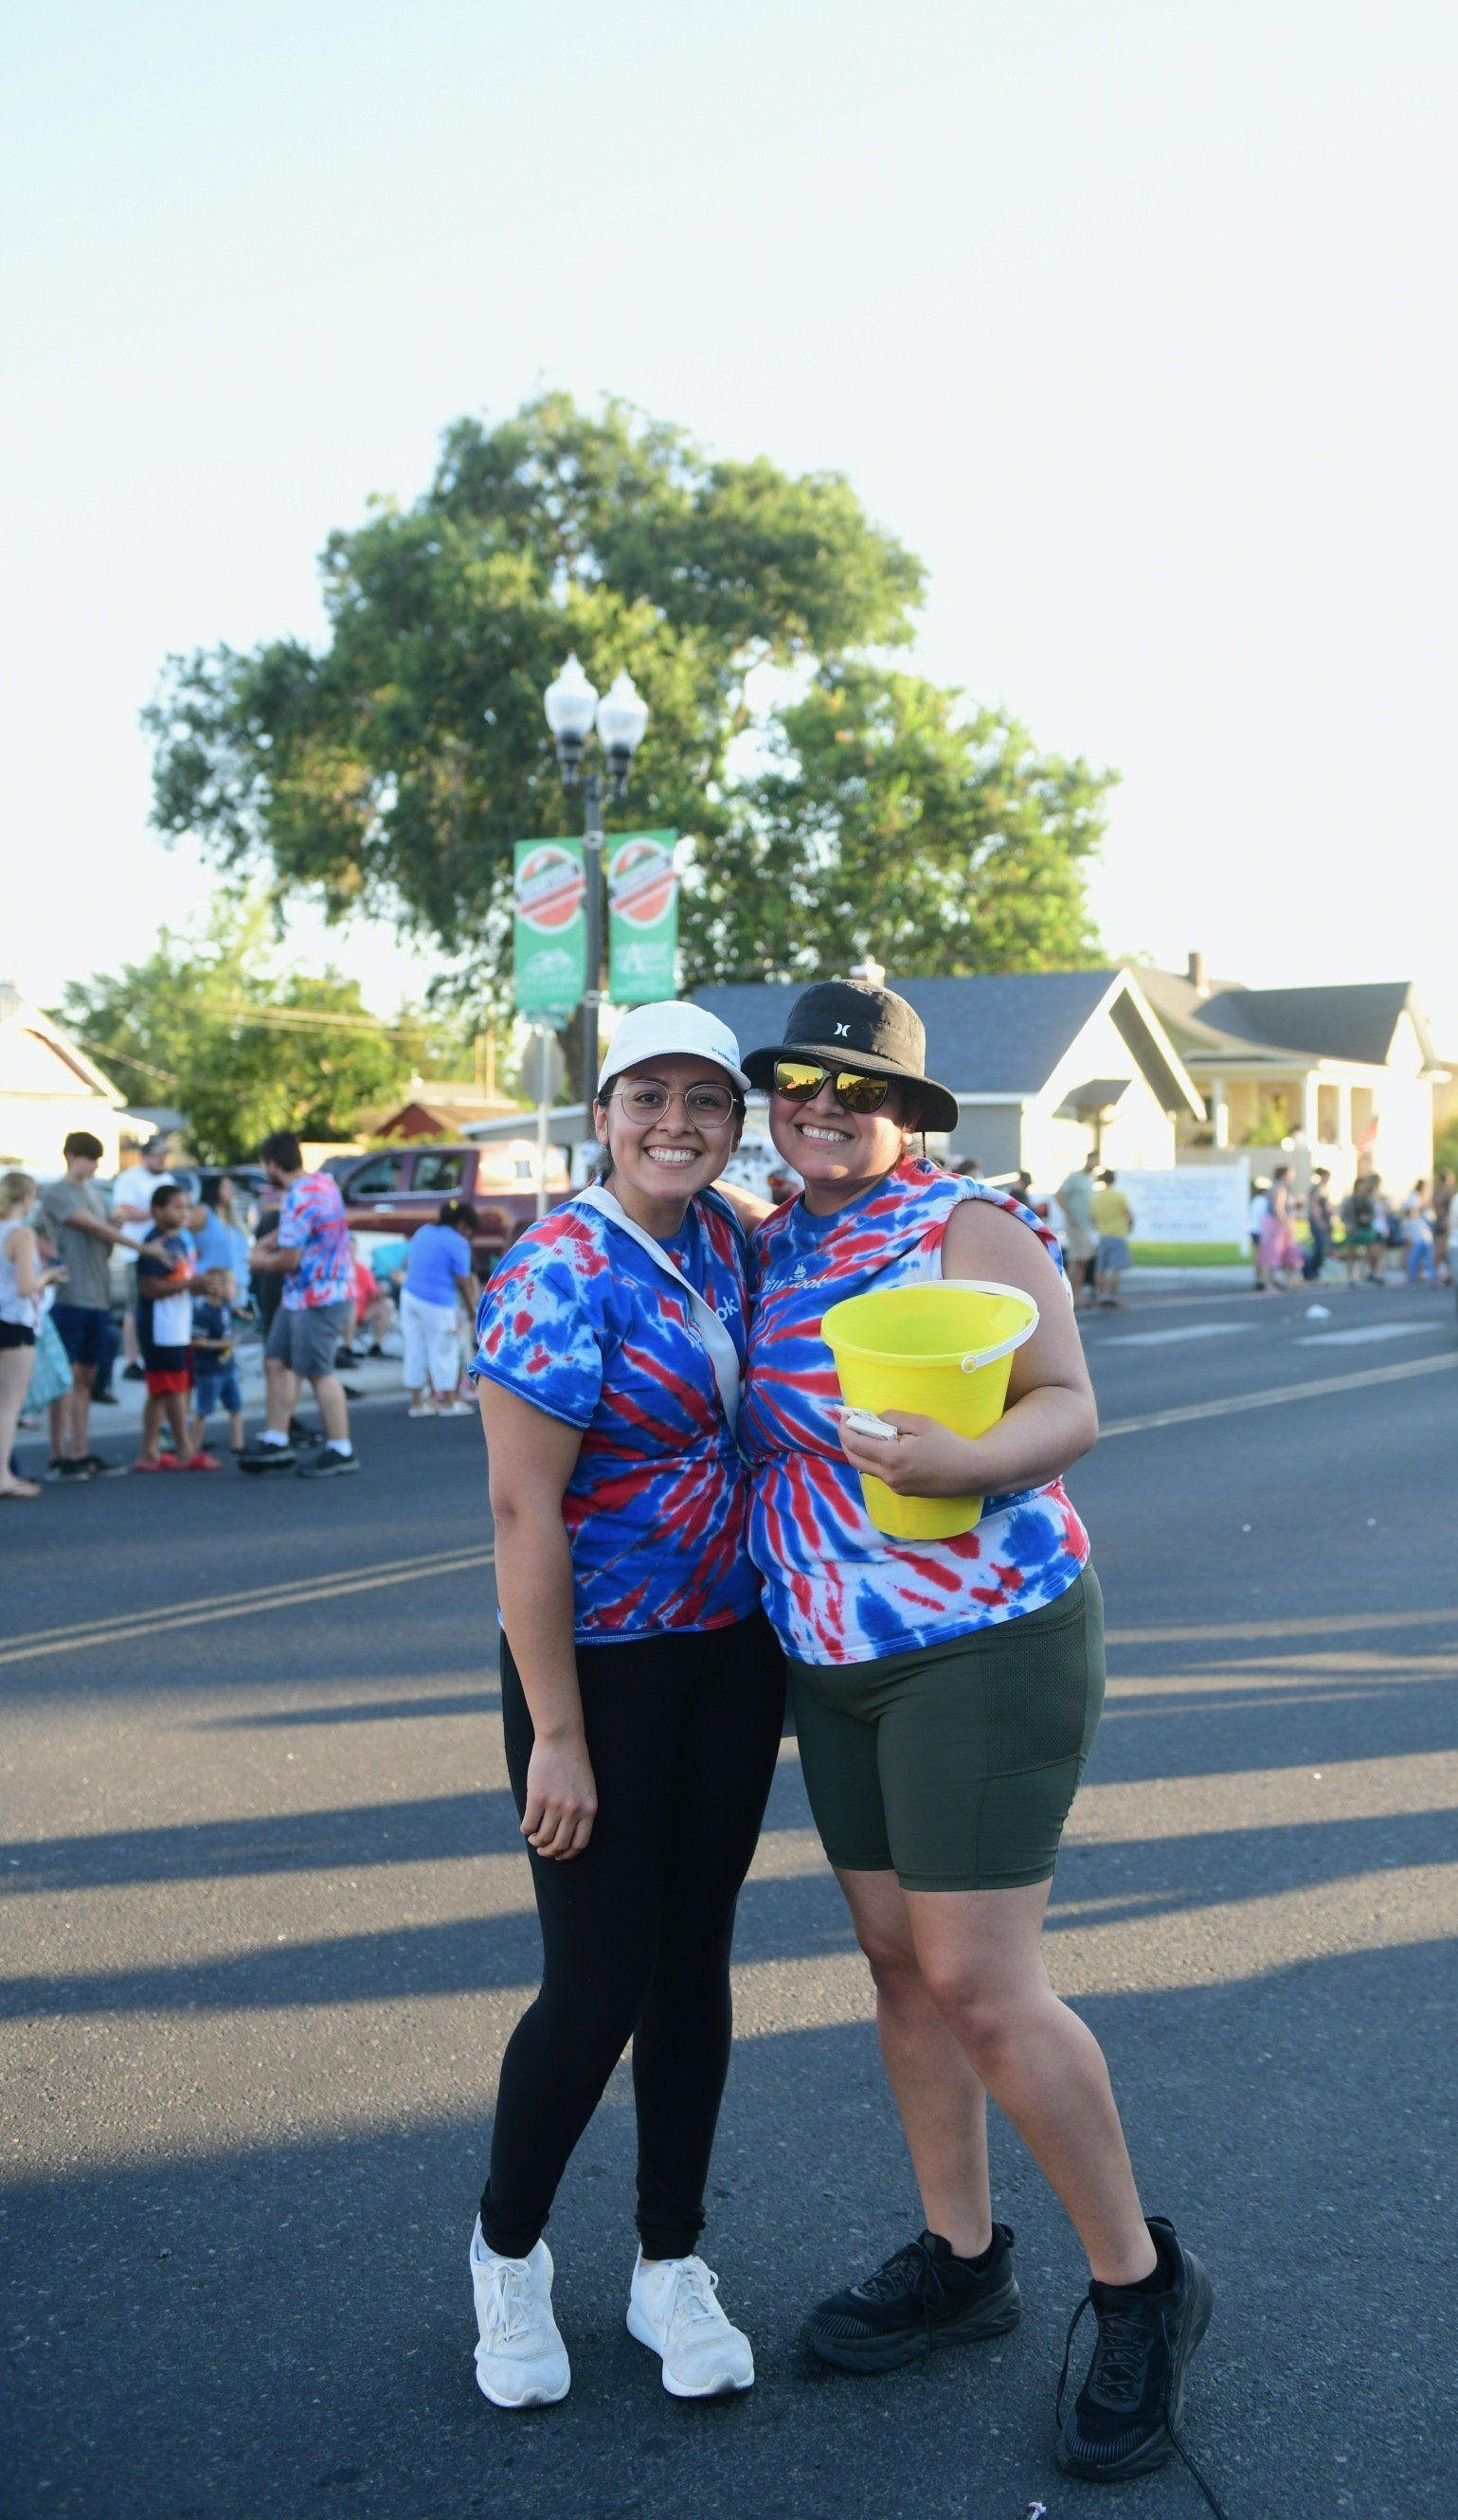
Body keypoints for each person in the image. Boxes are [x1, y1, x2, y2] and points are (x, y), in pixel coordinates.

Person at [739, 980, 1213, 2493]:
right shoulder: (764, 1242)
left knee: (981, 1985)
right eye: (799, 1081)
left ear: (912, 1114)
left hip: (982, 1637)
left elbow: (1068, 1402)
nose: (822, 1104)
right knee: (896, 1964)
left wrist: (975, 1454)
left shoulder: (973, 1226)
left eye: (855, 1089)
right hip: (832, 1655)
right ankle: (964, 2260)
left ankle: (1142, 2288)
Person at [467, 1001, 784, 2414]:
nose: (679, 1123)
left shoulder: (730, 1234)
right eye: (648, 1097)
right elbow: (521, 1511)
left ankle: (669, 2263)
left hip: (730, 1652)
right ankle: (508, 2254)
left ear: (735, 1123)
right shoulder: (555, 1270)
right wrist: (560, 1735)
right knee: (595, 1983)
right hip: (590, 1668)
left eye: (707, 1102)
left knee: (692, 1964)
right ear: (599, 1116)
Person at [243, 1134, 359, 1479]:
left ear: (272, 1165)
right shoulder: (322, 1183)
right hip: (304, 1296)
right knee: (276, 1361)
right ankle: (277, 1439)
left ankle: (341, 1448)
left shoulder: (296, 1197)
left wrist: (256, 1262)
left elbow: (289, 1259)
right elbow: (296, 1232)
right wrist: (267, 1242)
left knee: (318, 1371)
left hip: (318, 1296)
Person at [39, 1130, 143, 1479]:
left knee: (87, 1375)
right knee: (64, 1379)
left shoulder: (96, 1195)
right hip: (70, 1296)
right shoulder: (58, 1193)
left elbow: (104, 1242)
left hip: (97, 1294)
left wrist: (113, 1225)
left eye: (97, 1159)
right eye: (89, 1157)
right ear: (71, 1156)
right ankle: (58, 1453)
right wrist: (142, 1246)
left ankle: (81, 1451)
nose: (94, 1165)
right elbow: (94, 1229)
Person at [134, 1182, 212, 1472]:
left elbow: (178, 1283)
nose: (184, 1213)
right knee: (172, 1387)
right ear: (158, 1210)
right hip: (160, 1327)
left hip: (175, 1325)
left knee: (159, 1389)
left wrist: (198, 1287)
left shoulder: (178, 1241)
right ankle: (185, 1449)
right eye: (177, 1207)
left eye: (186, 1207)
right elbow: (150, 1288)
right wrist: (191, 1284)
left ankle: (149, 1451)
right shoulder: (155, 1242)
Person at [1, 1170, 64, 1497]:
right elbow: (26, 1286)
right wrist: (49, 1275)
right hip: (13, 1322)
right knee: (9, 1404)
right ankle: (3, 1476)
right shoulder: (21, 1234)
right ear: (26, 1198)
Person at [190, 1177, 253, 1457]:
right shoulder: (203, 1211)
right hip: (211, 1281)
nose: (230, 1192)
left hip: (231, 1288)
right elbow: (185, 1234)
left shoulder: (231, 1217)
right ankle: (193, 1443)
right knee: (205, 1404)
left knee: (234, 1403)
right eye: (226, 1186)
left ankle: (238, 1442)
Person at [403, 1198, 482, 1416]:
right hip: (438, 1301)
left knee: (415, 1348)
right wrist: (471, 1310)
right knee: (445, 1349)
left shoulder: (423, 1231)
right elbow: (463, 1281)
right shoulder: (458, 1242)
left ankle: (417, 1403)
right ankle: (449, 1403)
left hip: (409, 1295)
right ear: (463, 1224)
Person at [110, 1133, 176, 1377]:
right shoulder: (130, 1179)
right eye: (157, 1156)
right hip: (135, 1251)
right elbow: (124, 1210)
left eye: (164, 1156)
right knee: (135, 1307)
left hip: (164, 1252)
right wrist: (158, 1211)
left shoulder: (167, 1179)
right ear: (145, 1156)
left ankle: (154, 1355)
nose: (162, 1160)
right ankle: (132, 1360)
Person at [1054, 1159, 1099, 1310]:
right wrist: (1069, 1214)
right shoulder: (1075, 1177)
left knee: (1082, 1260)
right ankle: (1071, 1295)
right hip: (1076, 1225)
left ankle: (1077, 1294)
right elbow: (1059, 1194)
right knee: (1077, 1259)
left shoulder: (1088, 1179)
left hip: (1085, 1226)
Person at [1089, 1167, 1133, 1306]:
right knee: (1115, 1268)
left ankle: (1101, 1294)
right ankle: (1112, 1296)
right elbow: (1129, 1215)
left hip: (1103, 1235)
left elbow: (1093, 1218)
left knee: (1101, 1267)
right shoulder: (1119, 1195)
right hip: (1118, 1234)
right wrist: (1129, 1227)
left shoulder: (1097, 1197)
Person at [1257, 1165, 1300, 1291]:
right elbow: (1278, 1208)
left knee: (1285, 1253)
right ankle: (1270, 1283)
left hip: (1279, 1222)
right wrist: (1286, 1224)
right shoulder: (1280, 1187)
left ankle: (1286, 1282)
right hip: (1277, 1224)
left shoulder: (1282, 1187)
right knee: (1274, 1252)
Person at [1341, 1169, 1385, 1286]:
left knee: (1373, 1252)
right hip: (1353, 1229)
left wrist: (1368, 1219)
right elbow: (1344, 1215)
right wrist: (1347, 1224)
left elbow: (1373, 1214)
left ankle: (1373, 1272)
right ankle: (1351, 1277)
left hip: (1366, 1229)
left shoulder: (1368, 1200)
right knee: (1350, 1253)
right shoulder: (1350, 1200)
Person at [1401, 1180, 1436, 1284]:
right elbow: (1412, 1213)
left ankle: (1425, 1275)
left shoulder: (1421, 1199)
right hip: (1416, 1231)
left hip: (1422, 1230)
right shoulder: (1414, 1198)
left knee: (1426, 1253)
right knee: (1413, 1254)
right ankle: (1412, 1276)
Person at [1304, 1167, 1334, 1282]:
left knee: (1324, 1247)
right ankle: (1312, 1271)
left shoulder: (1324, 1189)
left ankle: (1315, 1271)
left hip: (1325, 1221)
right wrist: (1320, 1221)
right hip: (1318, 1223)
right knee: (1318, 1247)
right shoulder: (1316, 1189)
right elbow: (1314, 1206)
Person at [1431, 1168, 1455, 1286]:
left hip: (1439, 1221)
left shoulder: (1436, 1190)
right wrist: (1446, 1219)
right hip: (1444, 1222)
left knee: (1444, 1251)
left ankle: (1447, 1275)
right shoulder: (1447, 1191)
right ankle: (1434, 1275)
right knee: (1441, 1249)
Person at [1246, 1178, 1269, 1287]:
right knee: (1262, 1256)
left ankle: (1257, 1277)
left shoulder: (1255, 1200)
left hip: (1253, 1230)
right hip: (1260, 1230)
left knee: (1257, 1255)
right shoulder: (1263, 1202)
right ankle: (1262, 1278)